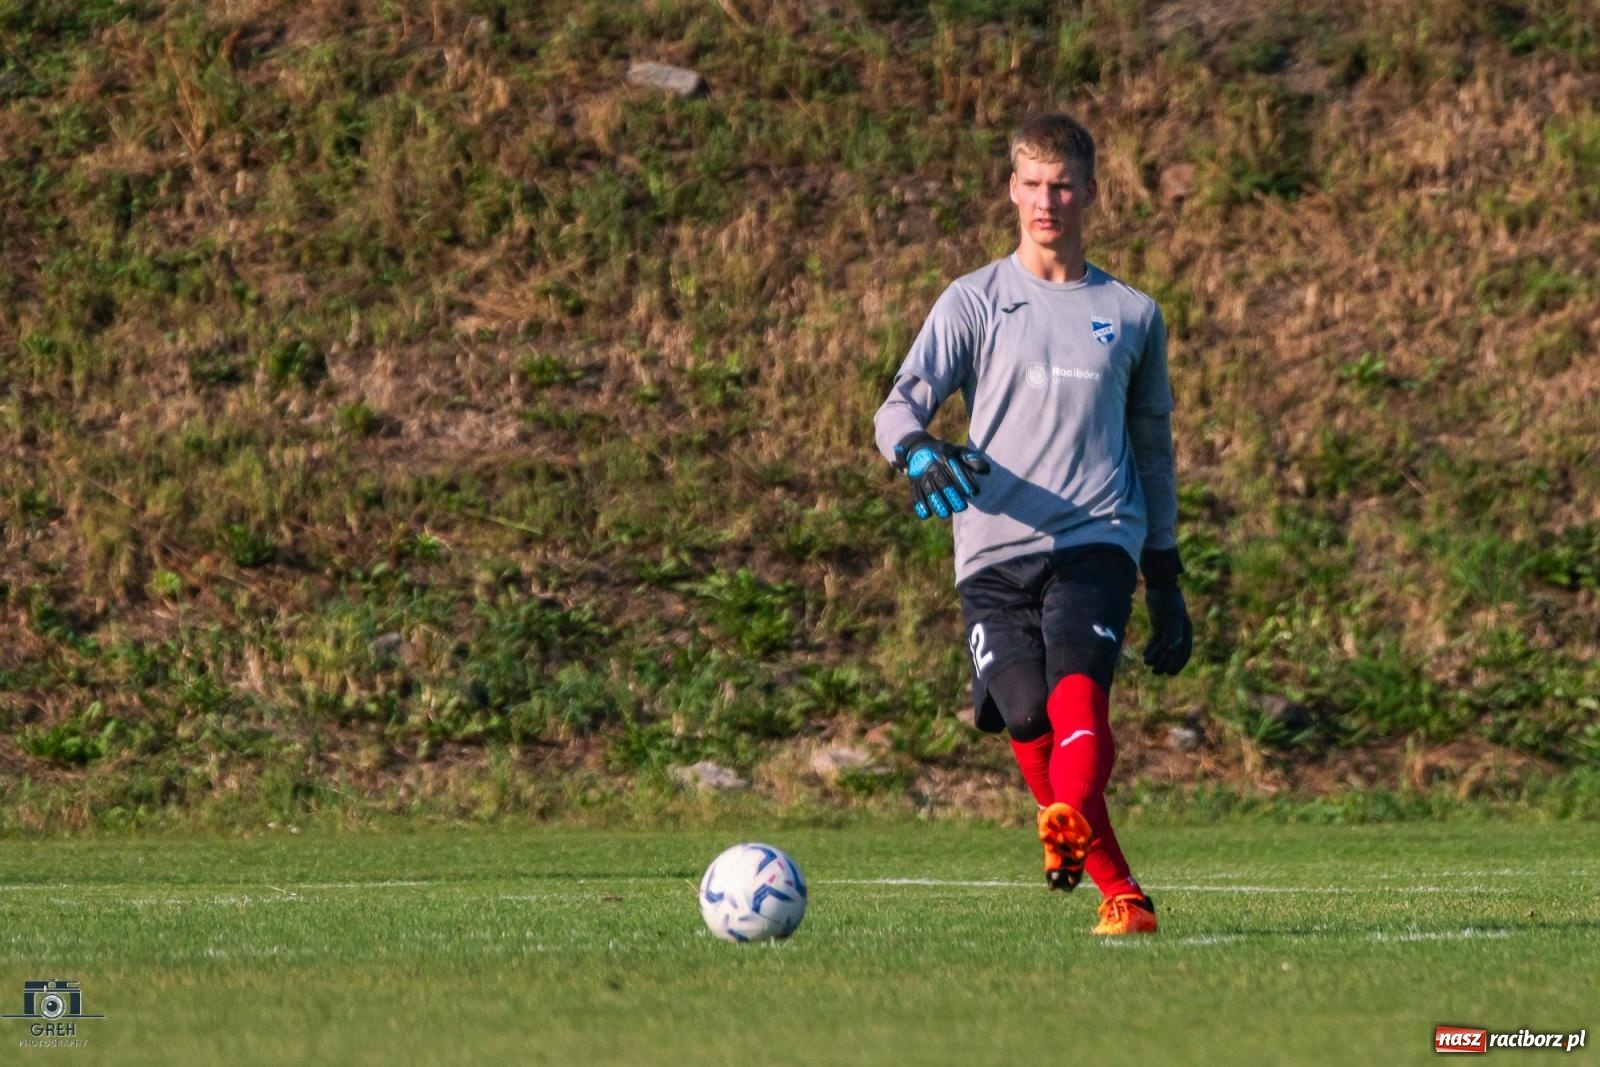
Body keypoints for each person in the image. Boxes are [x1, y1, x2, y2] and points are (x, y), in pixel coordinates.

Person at [873, 112, 1193, 936]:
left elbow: (1153, 452)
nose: (1047, 201)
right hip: (991, 547)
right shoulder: (974, 300)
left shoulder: (1131, 313)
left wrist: (1164, 572)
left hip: (1097, 534)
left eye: (1063, 185)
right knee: (1025, 716)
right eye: (1033, 184)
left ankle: (1095, 862)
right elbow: (898, 407)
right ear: (1011, 190)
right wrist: (916, 451)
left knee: (1078, 688)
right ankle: (1119, 886)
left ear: (1090, 192)